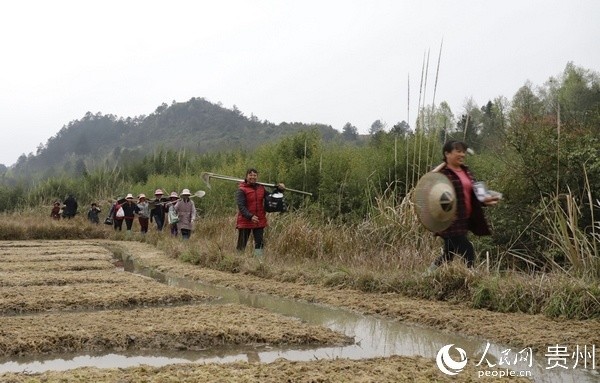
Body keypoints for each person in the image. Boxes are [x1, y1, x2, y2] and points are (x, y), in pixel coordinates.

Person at [427, 140, 500, 272]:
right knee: (468, 250)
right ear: (447, 154)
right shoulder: (443, 175)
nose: (462, 154)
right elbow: (429, 188)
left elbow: (475, 194)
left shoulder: (466, 171)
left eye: (463, 151)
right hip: (450, 222)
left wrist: (486, 200)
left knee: (448, 254)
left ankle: (427, 275)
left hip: (464, 220)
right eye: (458, 151)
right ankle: (471, 279)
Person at [235, 168, 285, 259]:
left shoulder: (261, 188)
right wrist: (250, 216)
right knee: (242, 243)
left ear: (257, 177)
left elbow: (271, 198)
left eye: (254, 175)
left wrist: (279, 190)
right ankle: (237, 261)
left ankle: (258, 262)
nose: (252, 177)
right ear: (246, 176)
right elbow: (241, 206)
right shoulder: (241, 190)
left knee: (259, 242)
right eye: (250, 175)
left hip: (259, 220)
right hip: (245, 220)